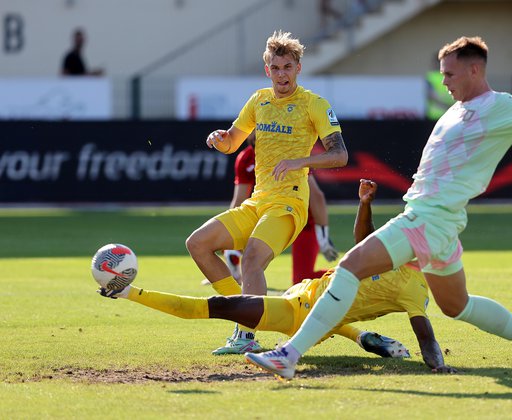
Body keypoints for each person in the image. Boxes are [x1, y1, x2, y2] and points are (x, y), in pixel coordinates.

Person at [245, 35, 512, 379]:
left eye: (450, 73)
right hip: (441, 224)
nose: (444, 80)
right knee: (457, 306)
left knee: (347, 268)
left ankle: (289, 355)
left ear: (474, 70)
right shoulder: (453, 109)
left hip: (428, 218)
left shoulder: (499, 106)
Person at [99, 180, 456, 373]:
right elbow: (364, 238)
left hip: (295, 313)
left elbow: (425, 333)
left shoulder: (414, 288)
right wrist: (364, 203)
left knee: (215, 306)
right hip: (305, 294)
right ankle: (365, 338)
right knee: (333, 308)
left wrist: (438, 365)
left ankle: (128, 293)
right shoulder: (390, 255)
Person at [185, 30, 348, 355]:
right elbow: (233, 141)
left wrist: (300, 160)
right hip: (258, 202)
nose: (282, 74)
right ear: (267, 71)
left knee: (253, 260)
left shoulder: (314, 104)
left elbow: (340, 155)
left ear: (298, 68)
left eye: (288, 67)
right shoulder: (258, 100)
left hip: (290, 202)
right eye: (276, 68)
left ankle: (246, 334)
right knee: (198, 244)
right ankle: (243, 312)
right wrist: (220, 139)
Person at [221, 131, 338, 289]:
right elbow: (239, 201)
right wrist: (230, 242)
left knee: (301, 278)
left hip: (301, 217)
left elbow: (316, 196)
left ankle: (352, 272)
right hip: (269, 211)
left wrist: (322, 234)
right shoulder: (246, 158)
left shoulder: (288, 154)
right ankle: (237, 278)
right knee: (249, 254)